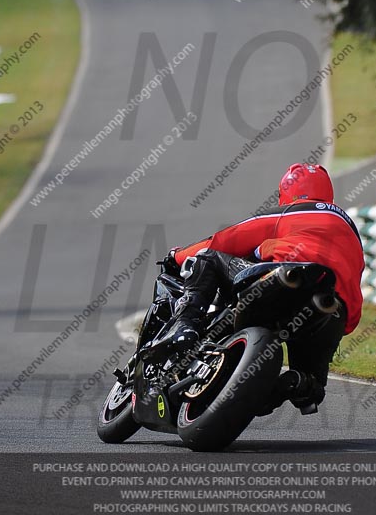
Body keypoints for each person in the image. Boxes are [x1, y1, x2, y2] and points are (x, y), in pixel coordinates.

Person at [154, 163, 364, 411]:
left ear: (287, 192)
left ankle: (184, 324)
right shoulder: (353, 236)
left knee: (208, 258)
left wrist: (177, 257)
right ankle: (291, 384)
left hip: (285, 281)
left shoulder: (291, 212)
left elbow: (223, 240)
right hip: (333, 313)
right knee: (311, 388)